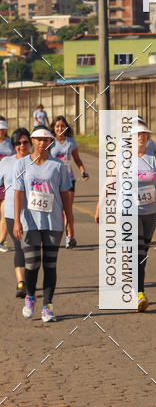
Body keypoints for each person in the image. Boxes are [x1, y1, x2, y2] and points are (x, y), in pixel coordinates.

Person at [95, 123, 156, 312]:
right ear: (130, 138)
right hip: (128, 211)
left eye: (144, 134)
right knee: (136, 251)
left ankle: (133, 288)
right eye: (137, 134)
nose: (141, 136)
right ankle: (138, 292)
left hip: (151, 211)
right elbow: (110, 182)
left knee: (142, 253)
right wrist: (100, 206)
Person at [13, 126, 73, 322]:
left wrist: (69, 222)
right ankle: (30, 296)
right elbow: (19, 193)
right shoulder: (22, 165)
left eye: (45, 140)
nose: (42, 143)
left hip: (53, 222)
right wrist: (16, 221)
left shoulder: (58, 166)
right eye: (38, 139)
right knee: (31, 264)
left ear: (50, 142)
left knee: (49, 265)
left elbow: (65, 195)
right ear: (32, 141)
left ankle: (47, 306)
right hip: (29, 222)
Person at [49, 115, 89, 248]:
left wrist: (83, 170)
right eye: (57, 126)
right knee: (55, 210)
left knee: (68, 210)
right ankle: (52, 236)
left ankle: (70, 237)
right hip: (53, 180)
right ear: (53, 128)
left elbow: (77, 159)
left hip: (69, 180)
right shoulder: (49, 141)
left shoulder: (71, 142)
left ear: (66, 127)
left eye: (62, 126)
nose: (60, 128)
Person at [0, 127, 31, 296]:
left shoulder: (37, 161)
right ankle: (21, 283)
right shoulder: (5, 162)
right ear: (13, 145)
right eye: (18, 143)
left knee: (32, 249)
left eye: (25, 142)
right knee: (19, 246)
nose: (21, 145)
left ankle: (29, 279)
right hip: (12, 212)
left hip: (34, 213)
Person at [0, 117, 14, 252]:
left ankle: (1, 241)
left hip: (6, 182)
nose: (1, 131)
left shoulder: (11, 143)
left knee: (4, 211)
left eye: (3, 129)